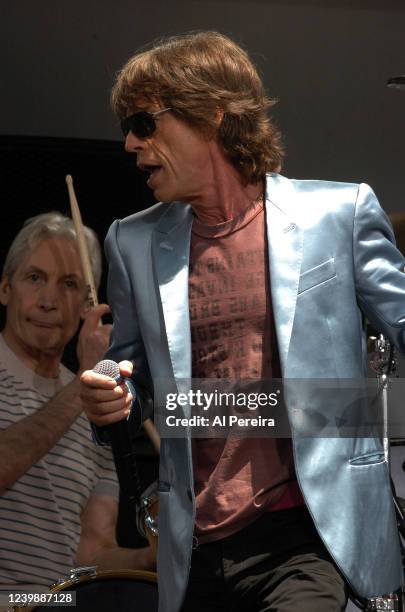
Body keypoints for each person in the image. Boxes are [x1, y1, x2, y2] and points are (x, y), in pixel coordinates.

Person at [80, 32, 405, 612]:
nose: (130, 143)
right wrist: (111, 390)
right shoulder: (130, 242)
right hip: (196, 545)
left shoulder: (338, 213)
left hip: (309, 536)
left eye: (144, 122)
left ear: (212, 115)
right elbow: (133, 377)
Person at [0, 212, 154, 602]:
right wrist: (85, 382)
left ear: (88, 305)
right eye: (35, 279)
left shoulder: (97, 408)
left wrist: (157, 554)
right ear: (5, 288)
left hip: (49, 604)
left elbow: (88, 554)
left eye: (69, 285)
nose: (49, 301)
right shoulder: (85, 396)